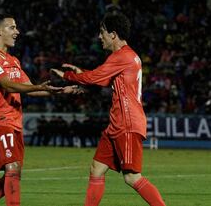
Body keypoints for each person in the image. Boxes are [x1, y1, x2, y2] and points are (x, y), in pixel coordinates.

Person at [51, 12, 166, 206]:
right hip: (117, 124)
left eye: (102, 32)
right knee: (96, 168)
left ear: (113, 34)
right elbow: (102, 79)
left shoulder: (123, 56)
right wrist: (83, 73)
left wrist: (68, 76)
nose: (99, 37)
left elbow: (94, 78)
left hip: (127, 124)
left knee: (132, 177)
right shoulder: (127, 57)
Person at [0, 13, 82, 206]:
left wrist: (59, 91)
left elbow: (30, 88)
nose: (17, 32)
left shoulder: (14, 61)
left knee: (14, 173)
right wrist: (38, 87)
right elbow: (7, 85)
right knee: (13, 169)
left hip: (15, 122)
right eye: (12, 27)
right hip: (0, 119)